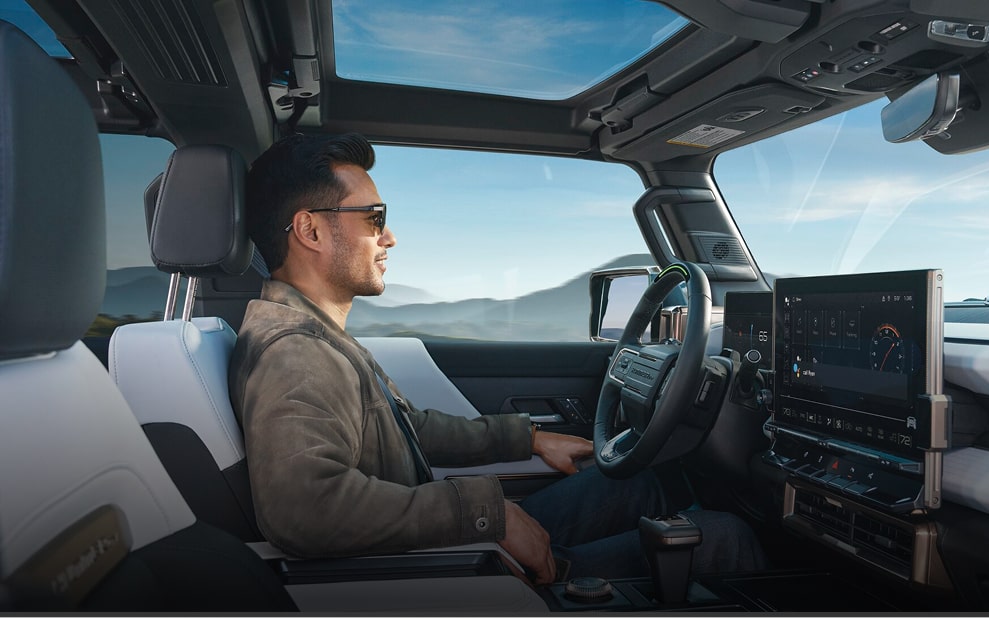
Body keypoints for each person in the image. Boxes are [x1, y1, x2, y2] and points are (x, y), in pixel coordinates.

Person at [229, 132, 765, 585]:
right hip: (445, 570)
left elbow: (405, 429)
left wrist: (527, 438)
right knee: (725, 537)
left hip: (442, 543)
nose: (389, 236)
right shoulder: (295, 353)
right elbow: (306, 510)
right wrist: (487, 517)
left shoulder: (315, 335)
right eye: (373, 218)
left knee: (635, 483)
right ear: (311, 229)